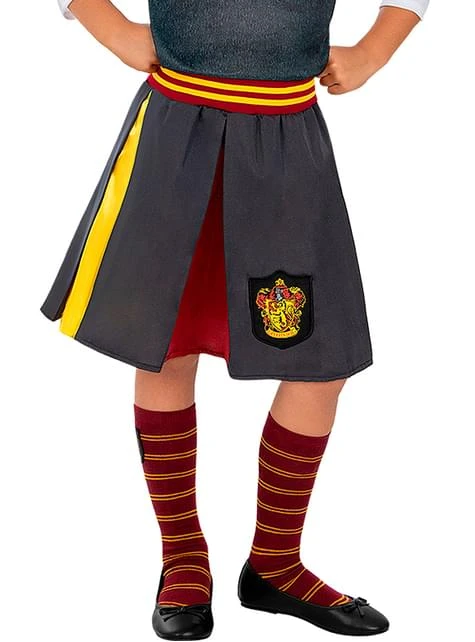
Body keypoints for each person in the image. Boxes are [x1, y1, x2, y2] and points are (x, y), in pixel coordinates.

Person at [41, 0, 430, 638]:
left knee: (320, 361)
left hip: (287, 143)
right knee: (165, 345)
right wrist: (111, 29)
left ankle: (275, 563)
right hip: (176, 134)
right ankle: (183, 558)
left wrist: (374, 49)